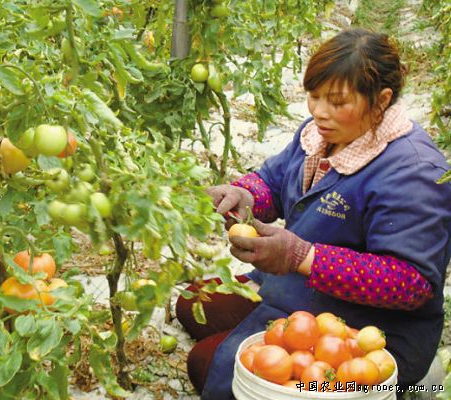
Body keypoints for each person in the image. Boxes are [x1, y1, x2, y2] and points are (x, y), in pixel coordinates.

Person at [175, 27, 451, 399]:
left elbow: (409, 282)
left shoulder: (414, 173)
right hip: (301, 289)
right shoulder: (322, 134)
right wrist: (242, 194)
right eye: (314, 96)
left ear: (381, 100)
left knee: (208, 365)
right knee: (193, 304)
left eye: (337, 101)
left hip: (369, 326)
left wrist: (303, 257)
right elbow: (272, 181)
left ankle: (409, 382)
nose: (320, 112)